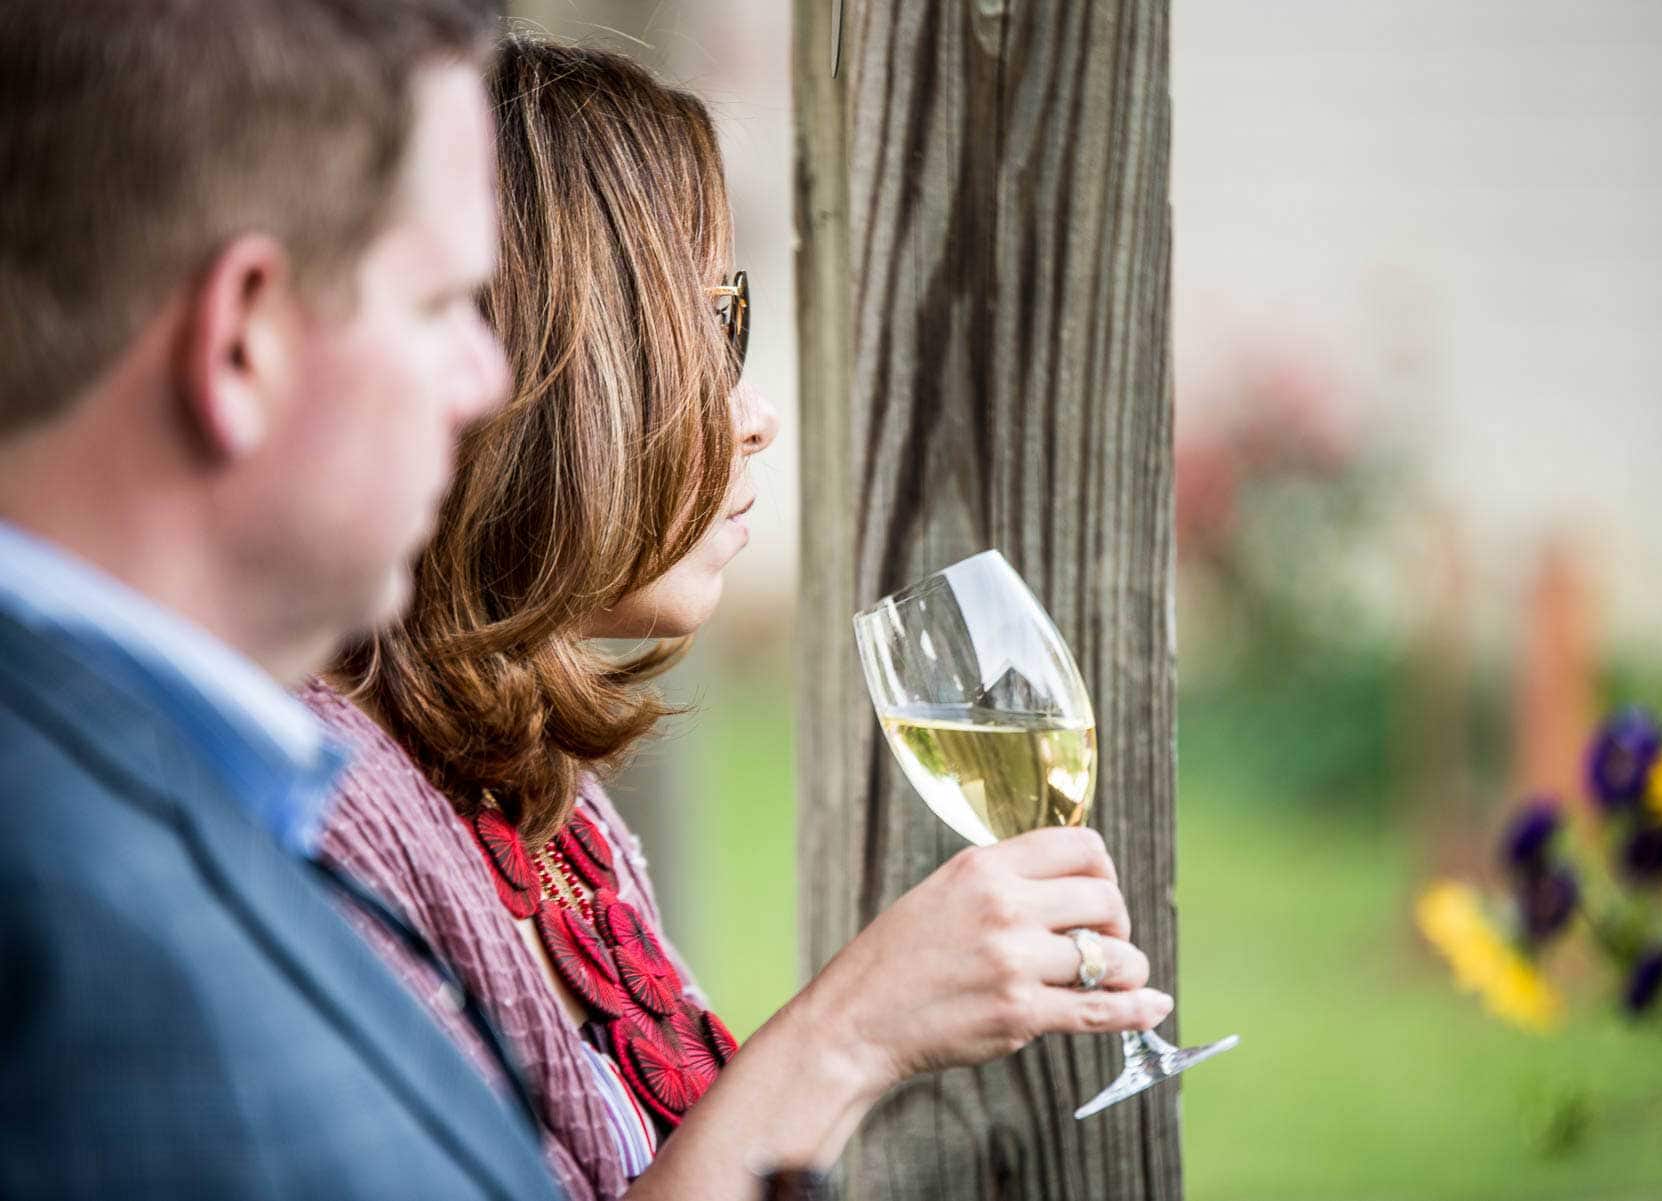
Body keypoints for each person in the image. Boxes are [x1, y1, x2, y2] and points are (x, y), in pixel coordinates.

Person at [309, 34, 1174, 1201]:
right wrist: (853, 1032)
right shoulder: (325, 823)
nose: (755, 414)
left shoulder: (539, 811)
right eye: (711, 329)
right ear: (550, 378)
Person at [0, 3, 563, 1198]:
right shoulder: (71, 943)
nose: (491, 375)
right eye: (440, 304)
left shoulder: (137, 790)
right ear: (243, 340)